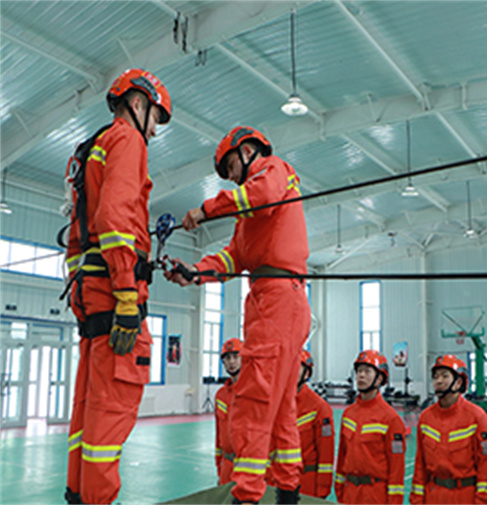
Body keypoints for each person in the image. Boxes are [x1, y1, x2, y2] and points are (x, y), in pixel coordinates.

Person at [164, 126, 311, 504]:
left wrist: (205, 209)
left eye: (230, 167)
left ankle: (246, 495)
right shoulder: (250, 217)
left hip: (276, 300)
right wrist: (194, 271)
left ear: (247, 152)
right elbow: (234, 258)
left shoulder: (273, 171)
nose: (230, 177)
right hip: (277, 299)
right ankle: (288, 492)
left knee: (252, 401)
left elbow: (261, 195)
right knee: (281, 405)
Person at [63, 68, 172, 504]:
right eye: (155, 119)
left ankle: (78, 495)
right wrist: (127, 292)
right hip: (115, 296)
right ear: (139, 104)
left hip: (91, 296)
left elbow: (78, 239)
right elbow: (115, 219)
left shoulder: (92, 149)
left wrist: (83, 294)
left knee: (88, 417)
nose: (154, 131)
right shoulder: (127, 140)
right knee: (110, 418)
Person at [409, 355, 487, 504]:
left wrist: (482, 501)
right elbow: (420, 465)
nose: (438, 381)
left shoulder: (476, 417)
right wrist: (417, 500)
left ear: (459, 382)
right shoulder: (426, 418)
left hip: (465, 497)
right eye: (436, 377)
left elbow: (486, 468)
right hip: (434, 496)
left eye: (444, 376)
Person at [334, 350, 406, 504]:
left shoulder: (391, 419)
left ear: (379, 378)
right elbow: (342, 456)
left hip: (375, 495)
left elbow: (396, 469)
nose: (361, 375)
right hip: (350, 493)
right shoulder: (348, 414)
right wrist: (339, 488)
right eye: (359, 371)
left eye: (367, 372)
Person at [293, 349, 335, 499]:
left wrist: (322, 489)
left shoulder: (319, 408)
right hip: (277, 482)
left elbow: (326, 454)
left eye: (296, 367)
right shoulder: (277, 404)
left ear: (306, 374)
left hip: (306, 486)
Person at [215, 338, 243, 485]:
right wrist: (219, 468)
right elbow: (218, 436)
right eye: (227, 358)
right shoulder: (221, 396)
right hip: (227, 467)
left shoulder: (255, 392)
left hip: (248, 467)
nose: (231, 362)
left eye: (236, 357)